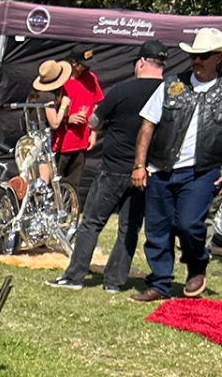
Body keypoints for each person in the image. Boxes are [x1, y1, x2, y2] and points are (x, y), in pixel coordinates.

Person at [49, 41, 163, 292]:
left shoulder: (122, 90)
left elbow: (94, 121)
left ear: (141, 63)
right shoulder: (168, 93)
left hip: (113, 169)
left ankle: (74, 276)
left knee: (91, 222)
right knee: (129, 228)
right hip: (146, 171)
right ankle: (114, 282)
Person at [130, 27, 222, 303]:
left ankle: (197, 265)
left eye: (203, 56)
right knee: (157, 229)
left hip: (202, 171)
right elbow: (147, 125)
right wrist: (139, 165)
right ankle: (160, 284)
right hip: (161, 168)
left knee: (189, 223)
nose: (196, 61)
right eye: (193, 56)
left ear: (218, 57)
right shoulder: (171, 85)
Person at [53, 48, 103, 195]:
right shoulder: (60, 81)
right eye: (84, 64)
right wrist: (68, 119)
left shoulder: (91, 78)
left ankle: (69, 208)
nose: (88, 68)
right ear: (74, 63)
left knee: (73, 184)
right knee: (55, 182)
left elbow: (96, 105)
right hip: (61, 142)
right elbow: (49, 110)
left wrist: (93, 132)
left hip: (81, 141)